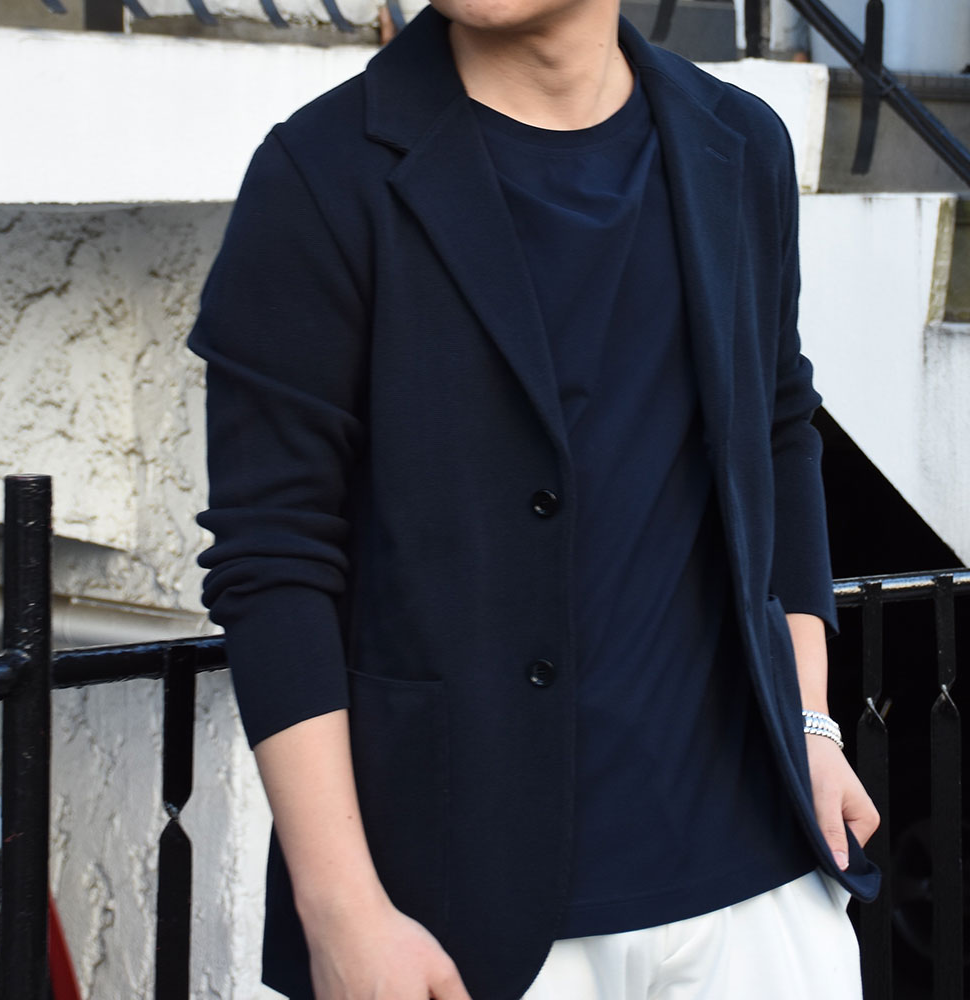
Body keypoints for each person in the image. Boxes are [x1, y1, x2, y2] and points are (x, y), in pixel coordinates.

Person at [188, 0, 882, 995]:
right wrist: (341, 910)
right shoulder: (322, 172)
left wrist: (809, 722)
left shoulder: (739, 142)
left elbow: (777, 429)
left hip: (758, 880)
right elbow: (272, 558)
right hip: (466, 915)